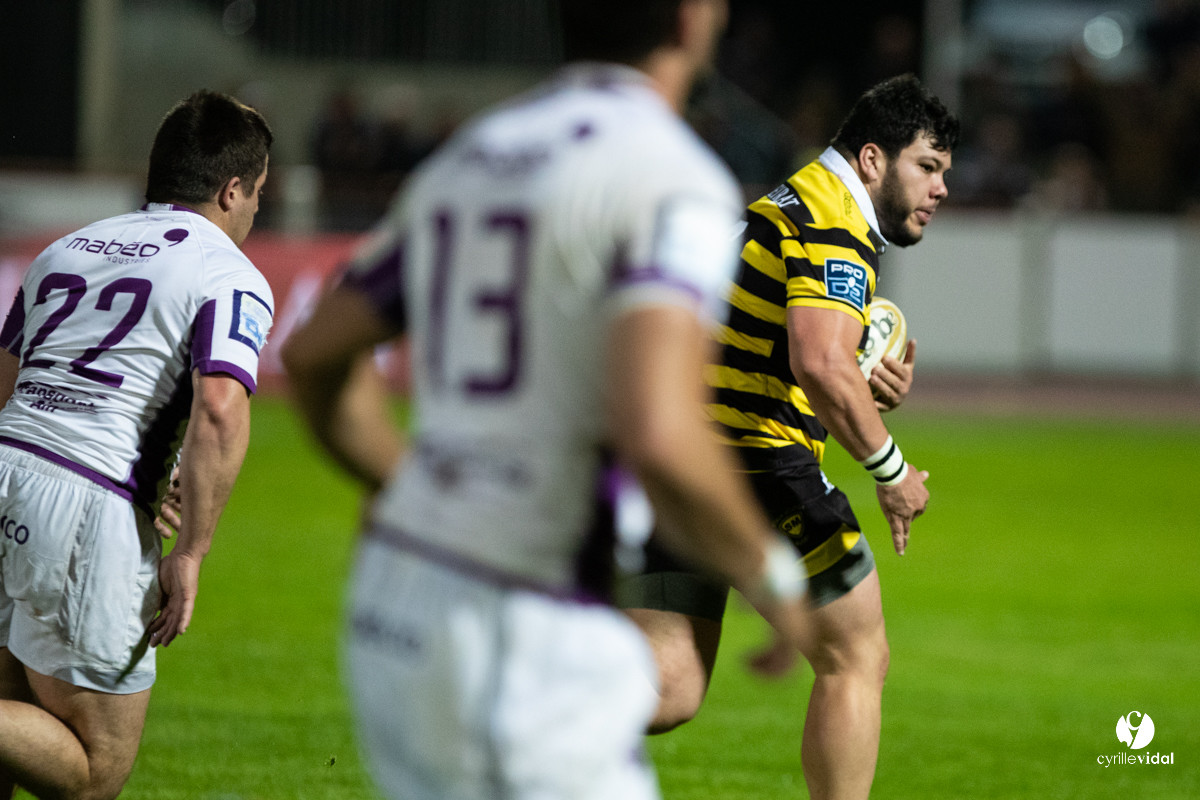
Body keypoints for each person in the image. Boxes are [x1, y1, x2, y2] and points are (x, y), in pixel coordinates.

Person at [281, 1, 809, 798]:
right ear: (691, 21)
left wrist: (412, 486)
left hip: (395, 601)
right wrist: (766, 571)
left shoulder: (476, 152)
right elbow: (658, 426)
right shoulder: (670, 176)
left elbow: (315, 352)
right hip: (525, 617)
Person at [622, 74, 959, 800]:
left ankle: (512, 699)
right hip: (756, 462)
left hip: (683, 459)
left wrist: (856, 385)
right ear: (873, 159)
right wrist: (892, 471)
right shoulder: (834, 217)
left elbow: (792, 353)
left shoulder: (789, 199)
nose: (938, 189)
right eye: (926, 167)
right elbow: (820, 359)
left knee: (671, 684)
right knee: (857, 655)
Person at [0, 90, 273, 800]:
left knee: (11, 731)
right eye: (257, 195)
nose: (254, 213)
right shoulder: (227, 273)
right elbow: (220, 408)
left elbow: (5, 384)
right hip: (86, 505)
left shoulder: (66, 248)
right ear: (231, 188)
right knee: (95, 771)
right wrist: (191, 555)